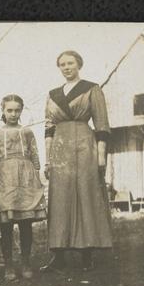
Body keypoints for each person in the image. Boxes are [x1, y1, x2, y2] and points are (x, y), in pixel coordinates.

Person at [41, 50, 112, 272]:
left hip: (84, 146)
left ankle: (86, 254)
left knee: (85, 195)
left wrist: (100, 156)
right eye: (62, 64)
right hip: (60, 149)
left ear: (79, 64)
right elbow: (48, 128)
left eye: (70, 63)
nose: (66, 67)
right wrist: (48, 160)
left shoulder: (92, 88)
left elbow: (102, 125)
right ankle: (58, 254)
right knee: (59, 198)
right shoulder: (52, 94)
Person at [0, 94, 46, 281]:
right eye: (9, 110)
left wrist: (36, 176)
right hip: (4, 178)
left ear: (21, 110)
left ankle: (26, 261)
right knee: (6, 224)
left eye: (17, 110)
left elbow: (35, 155)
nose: (13, 114)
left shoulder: (27, 131)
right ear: (2, 110)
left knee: (25, 223)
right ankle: (9, 265)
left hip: (25, 178)